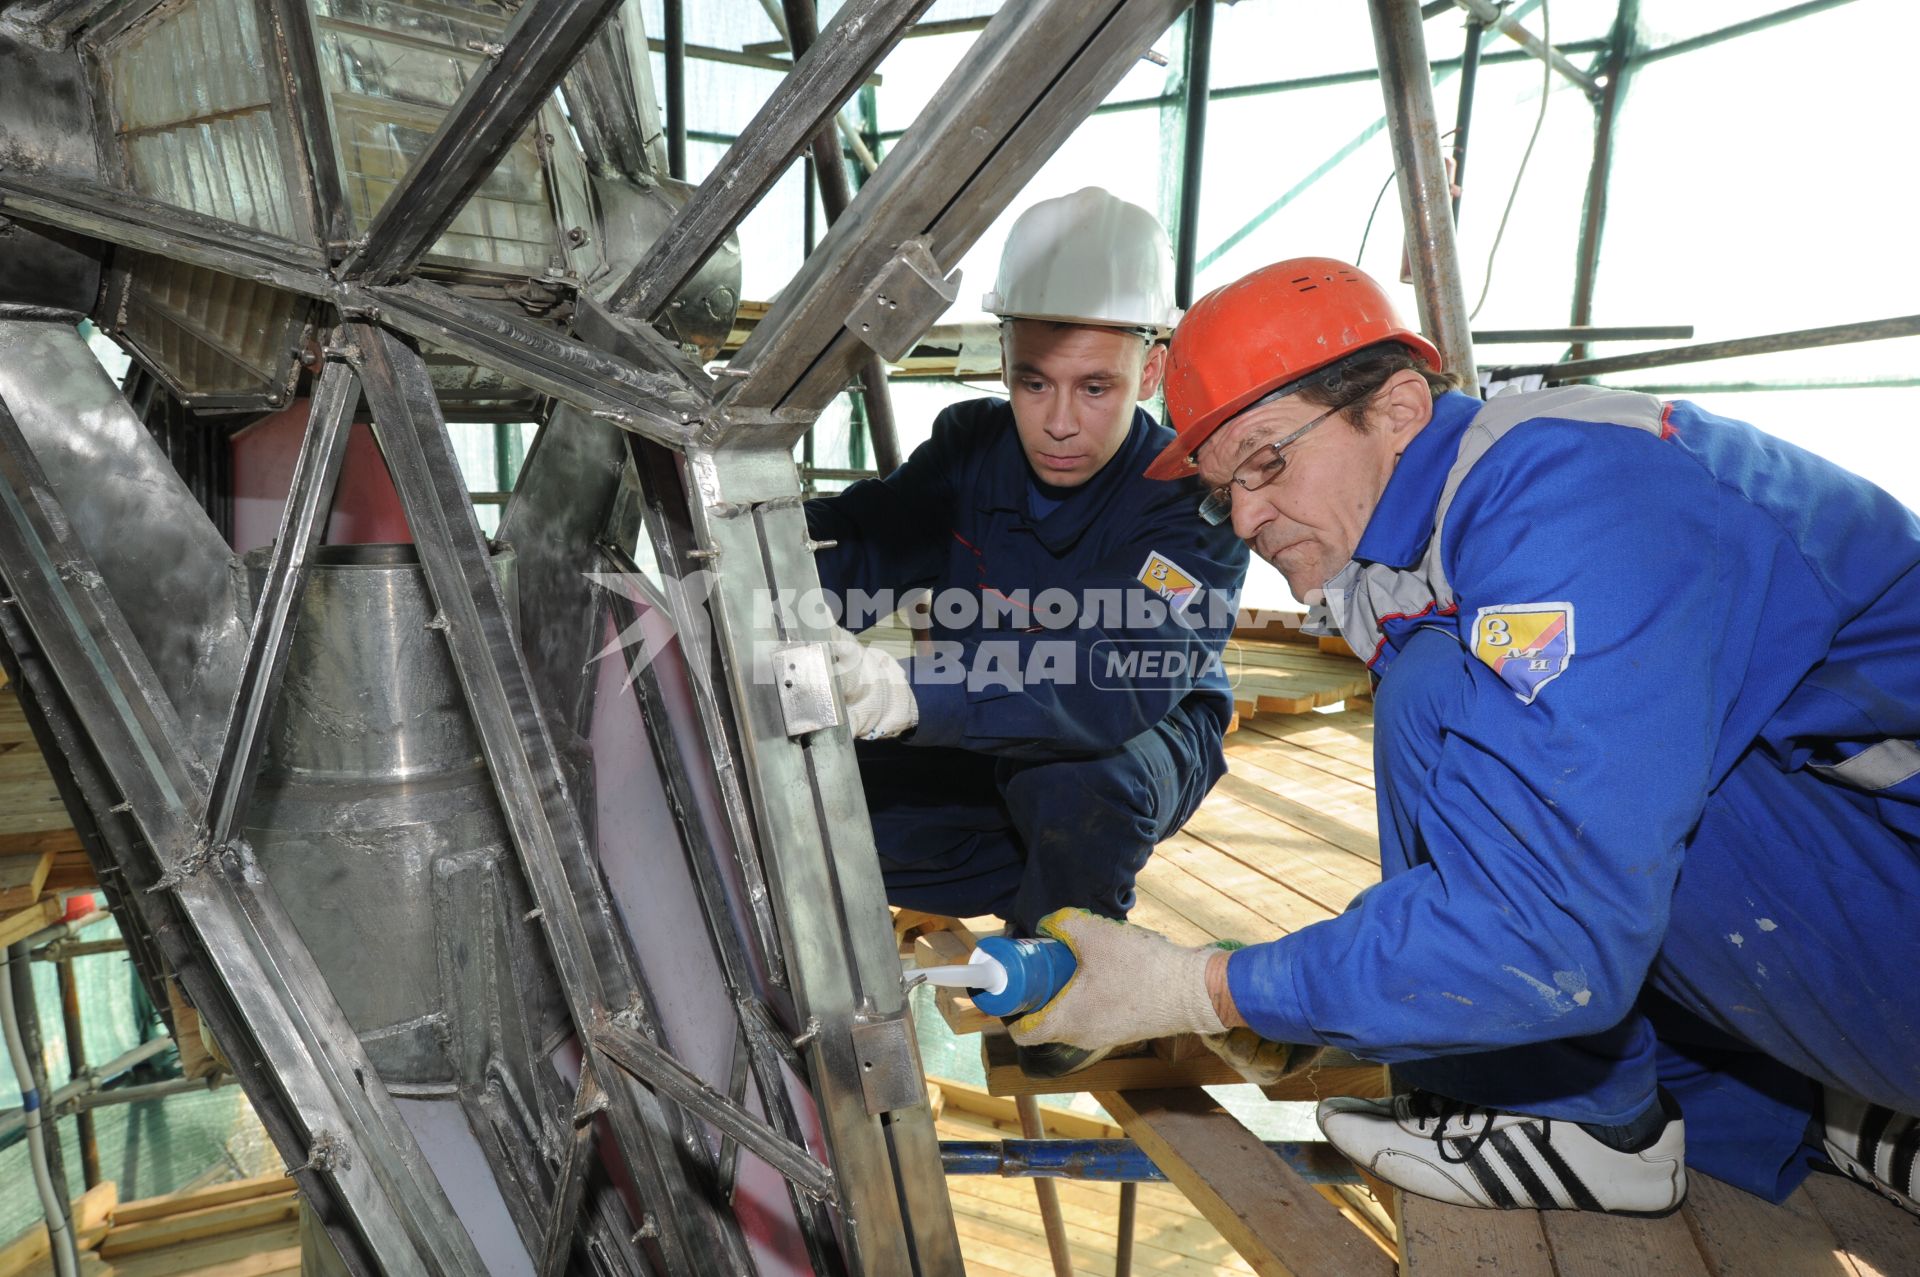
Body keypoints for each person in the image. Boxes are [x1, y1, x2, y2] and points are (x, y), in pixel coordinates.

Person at [1005, 257, 1920, 1217]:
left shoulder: (1575, 495)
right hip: (1867, 895)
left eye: (1267, 459)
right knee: (1493, 728)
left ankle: (1581, 1122)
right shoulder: (1433, 538)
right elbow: (1501, 834)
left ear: (1399, 408)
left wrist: (1214, 989)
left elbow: (1545, 916)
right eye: (1219, 488)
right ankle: (1821, 1111)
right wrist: (1318, 1000)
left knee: (1525, 766)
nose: (1245, 516)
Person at [809, 189, 1248, 1069]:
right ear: (1002, 356)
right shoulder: (974, 448)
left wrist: (901, 690)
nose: (1057, 421)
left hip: (1136, 736)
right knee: (810, 793)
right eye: (1032, 381)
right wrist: (759, 580)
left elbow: (1110, 680)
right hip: (982, 730)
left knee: (1077, 786)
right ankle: (1026, 879)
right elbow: (871, 542)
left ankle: (1069, 985)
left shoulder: (1189, 506)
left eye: (1096, 388)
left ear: (1152, 372)